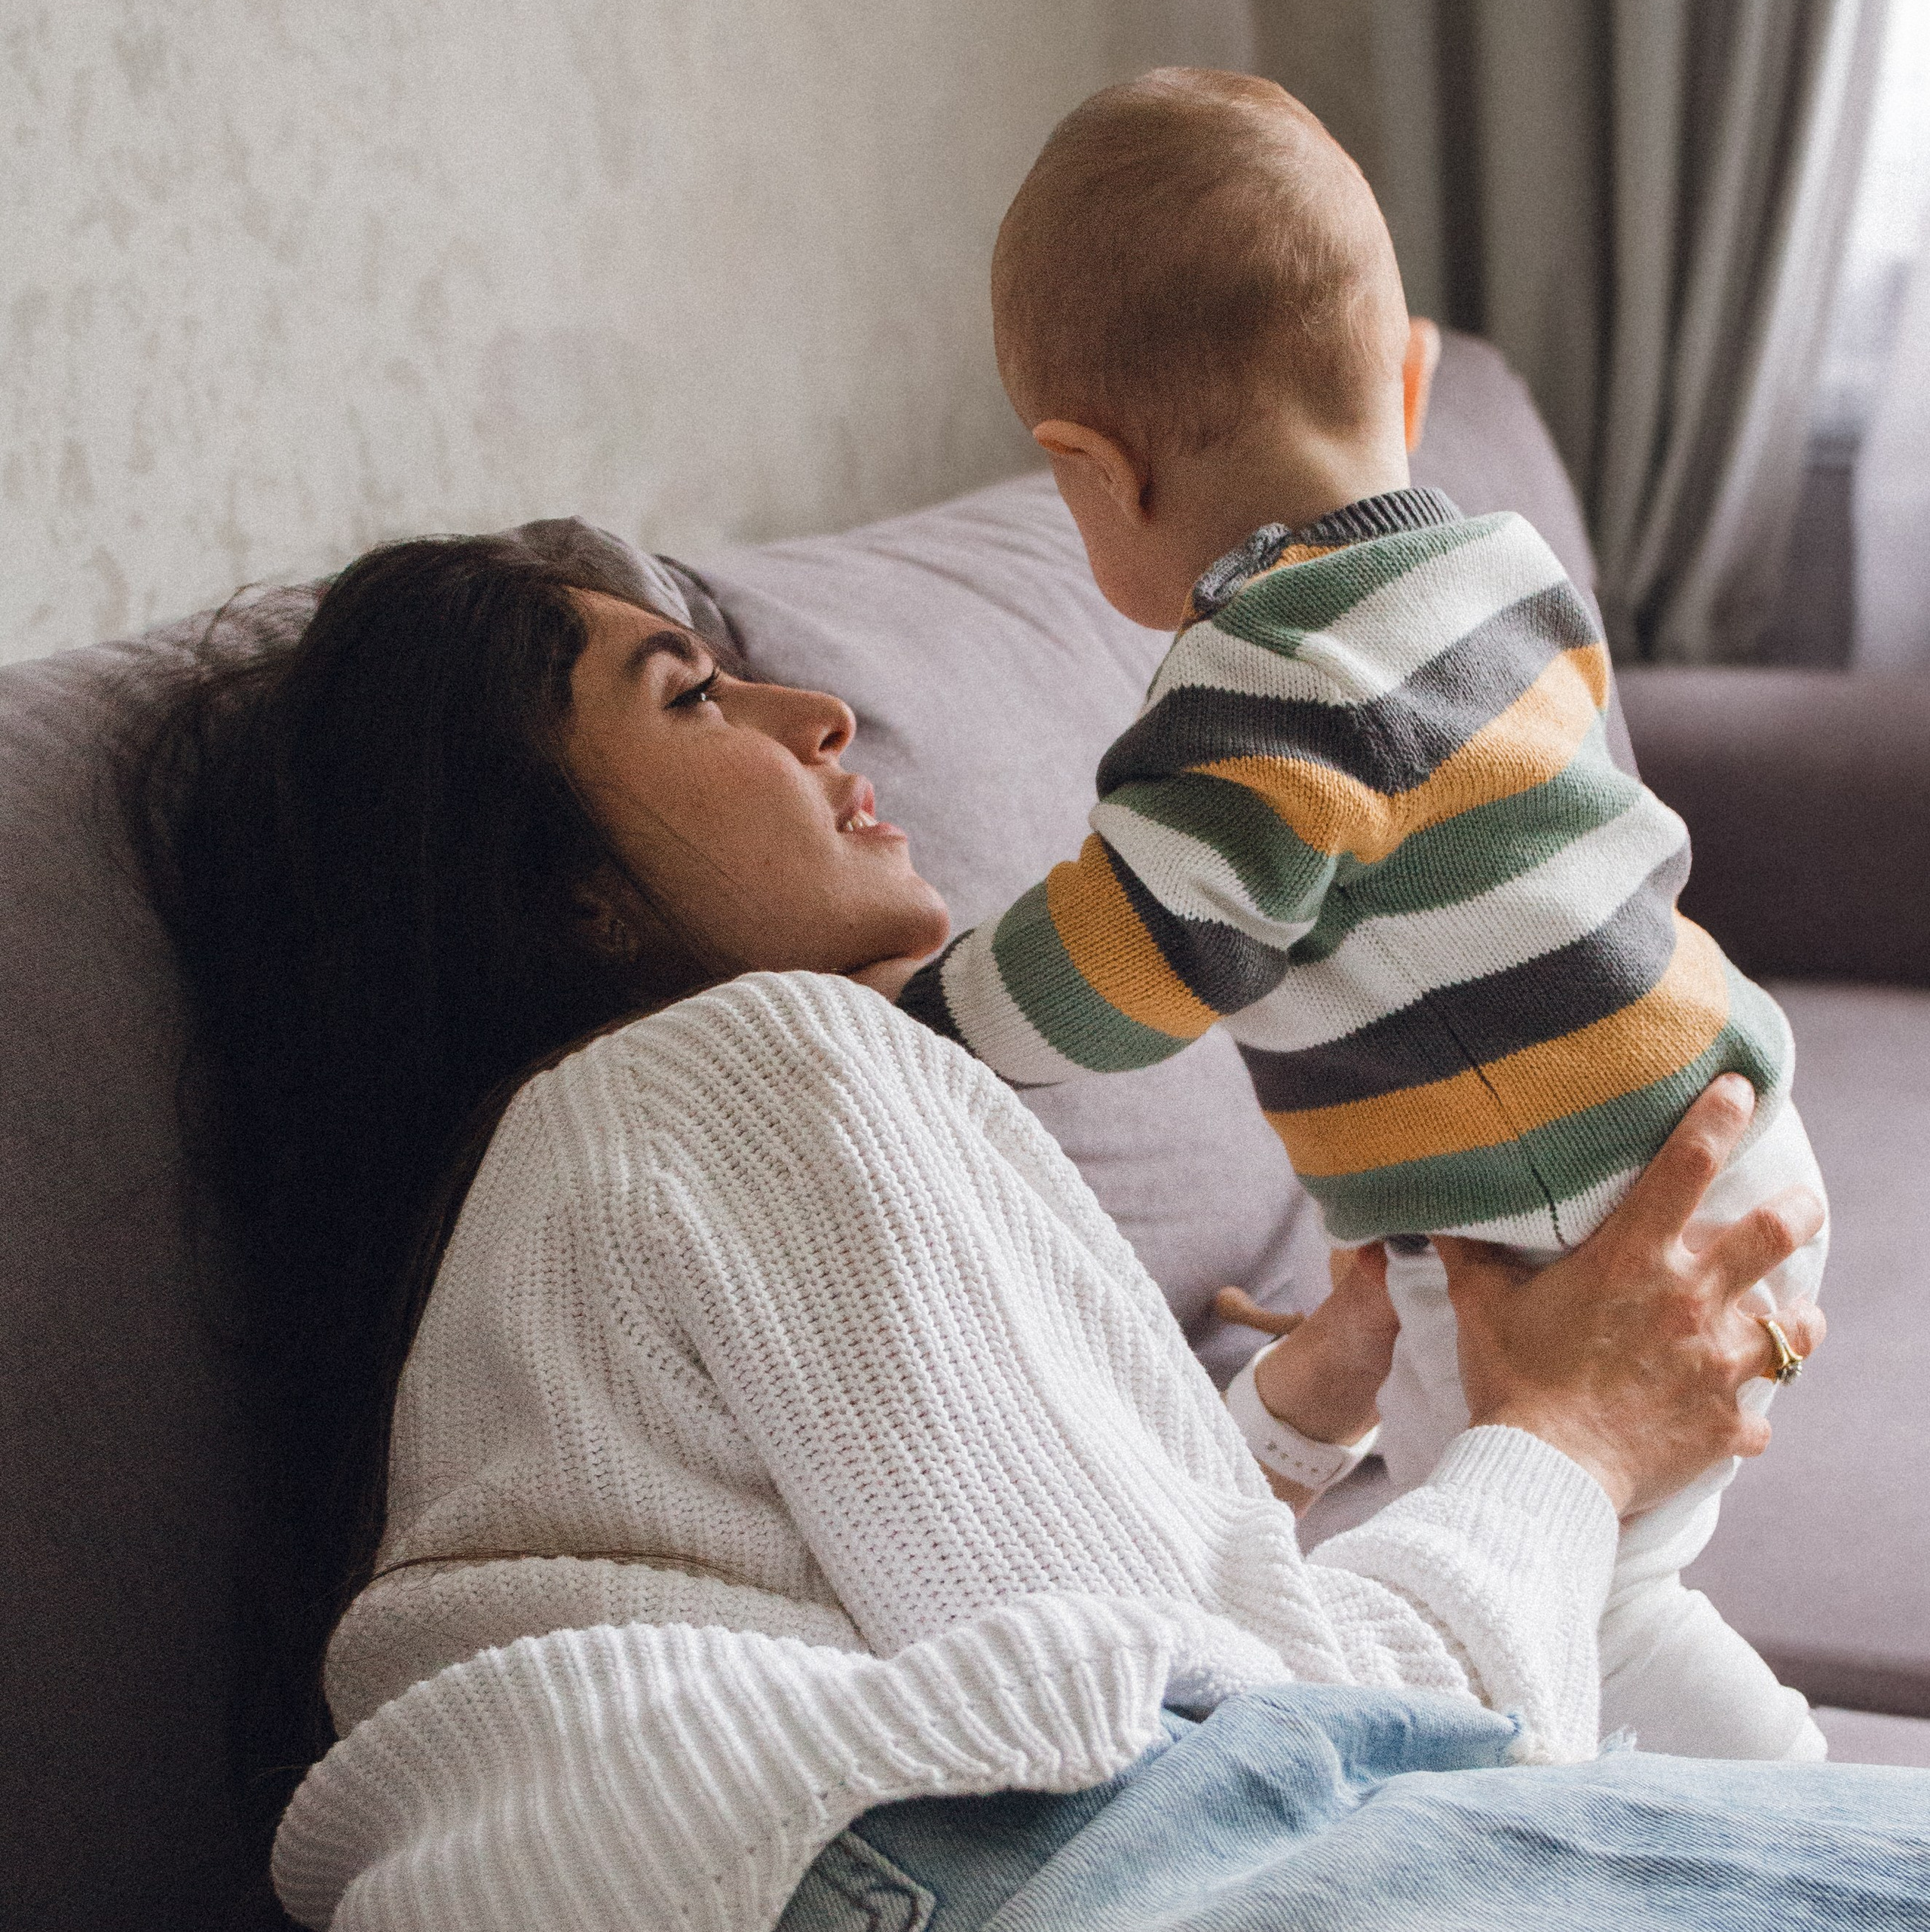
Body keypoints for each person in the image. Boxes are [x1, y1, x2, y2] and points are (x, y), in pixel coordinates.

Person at [136, 526, 1930, 1932]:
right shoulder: (751, 1060)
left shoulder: (567, 1205)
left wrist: (1282, 1429)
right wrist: (1566, 1446)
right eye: (690, 700)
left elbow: (1015, 1615)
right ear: (572, 895)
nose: (814, 717)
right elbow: (1249, 1722)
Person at [880, 69, 1828, 1763]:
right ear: (1405, 377)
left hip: (1577, 1228)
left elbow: (1128, 958)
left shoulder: (1264, 693)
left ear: (1089, 475)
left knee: (1571, 1626)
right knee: (1598, 1584)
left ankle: (1799, 1813)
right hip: (1729, 1134)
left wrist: (924, 1026)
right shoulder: (1503, 566)